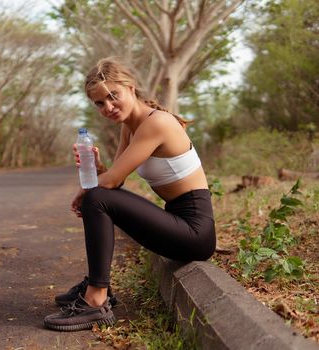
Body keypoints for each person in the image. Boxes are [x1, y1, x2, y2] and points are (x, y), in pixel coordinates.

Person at [43, 57, 216, 332]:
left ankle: (97, 298)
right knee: (97, 198)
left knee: (96, 198)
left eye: (114, 96)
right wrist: (98, 168)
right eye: (100, 103)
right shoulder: (130, 125)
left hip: (195, 233)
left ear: (131, 88)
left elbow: (108, 185)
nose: (108, 107)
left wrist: (88, 189)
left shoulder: (157, 123)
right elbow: (116, 179)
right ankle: (96, 286)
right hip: (177, 222)